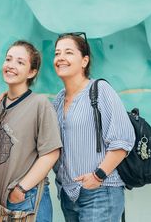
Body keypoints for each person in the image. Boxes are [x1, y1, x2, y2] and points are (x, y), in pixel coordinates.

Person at [52, 32, 135, 222]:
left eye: (68, 52)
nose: (61, 58)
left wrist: (98, 176)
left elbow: (123, 140)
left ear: (84, 61)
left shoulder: (100, 90)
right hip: (69, 195)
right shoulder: (57, 100)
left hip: (100, 191)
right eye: (57, 53)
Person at [0, 40, 62, 222]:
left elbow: (51, 153)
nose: (11, 65)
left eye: (20, 62)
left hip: (24, 200)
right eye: (8, 59)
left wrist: (21, 189)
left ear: (32, 72)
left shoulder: (39, 104)